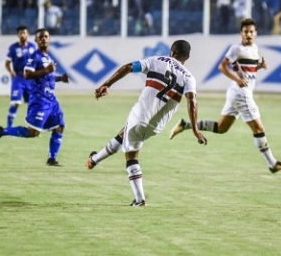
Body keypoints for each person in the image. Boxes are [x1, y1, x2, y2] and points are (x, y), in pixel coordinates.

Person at [84, 40, 206, 206]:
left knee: (131, 155)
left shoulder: (156, 60)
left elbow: (128, 67)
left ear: (171, 51)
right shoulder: (189, 77)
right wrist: (195, 129)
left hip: (139, 115)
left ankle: (140, 199)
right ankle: (94, 159)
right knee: (124, 134)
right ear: (187, 57)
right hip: (157, 125)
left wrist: (107, 84)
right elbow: (192, 101)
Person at [169, 18, 281, 174]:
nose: (249, 34)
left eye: (251, 32)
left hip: (237, 93)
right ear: (241, 33)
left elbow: (248, 70)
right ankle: (272, 163)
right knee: (259, 128)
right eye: (246, 32)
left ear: (256, 33)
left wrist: (259, 66)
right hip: (241, 93)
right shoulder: (236, 49)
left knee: (221, 128)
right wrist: (237, 79)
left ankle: (185, 125)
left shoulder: (254, 48)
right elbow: (222, 66)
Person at [0, 29, 69, 166]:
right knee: (33, 132)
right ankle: (2, 131)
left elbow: (47, 76)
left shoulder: (48, 57)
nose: (43, 39)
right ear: (36, 40)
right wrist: (46, 70)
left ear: (49, 39)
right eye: (40, 37)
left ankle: (52, 159)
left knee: (60, 126)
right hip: (40, 99)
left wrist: (60, 78)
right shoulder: (34, 56)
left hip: (51, 100)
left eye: (46, 36)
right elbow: (27, 74)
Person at [4, 25, 38, 127]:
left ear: (28, 34)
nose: (22, 35)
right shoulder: (13, 48)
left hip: (30, 79)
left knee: (32, 104)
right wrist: (11, 72)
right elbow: (7, 63)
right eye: (20, 33)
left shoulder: (33, 47)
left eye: (24, 33)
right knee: (16, 103)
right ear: (17, 35)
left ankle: (33, 127)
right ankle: (9, 126)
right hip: (18, 78)